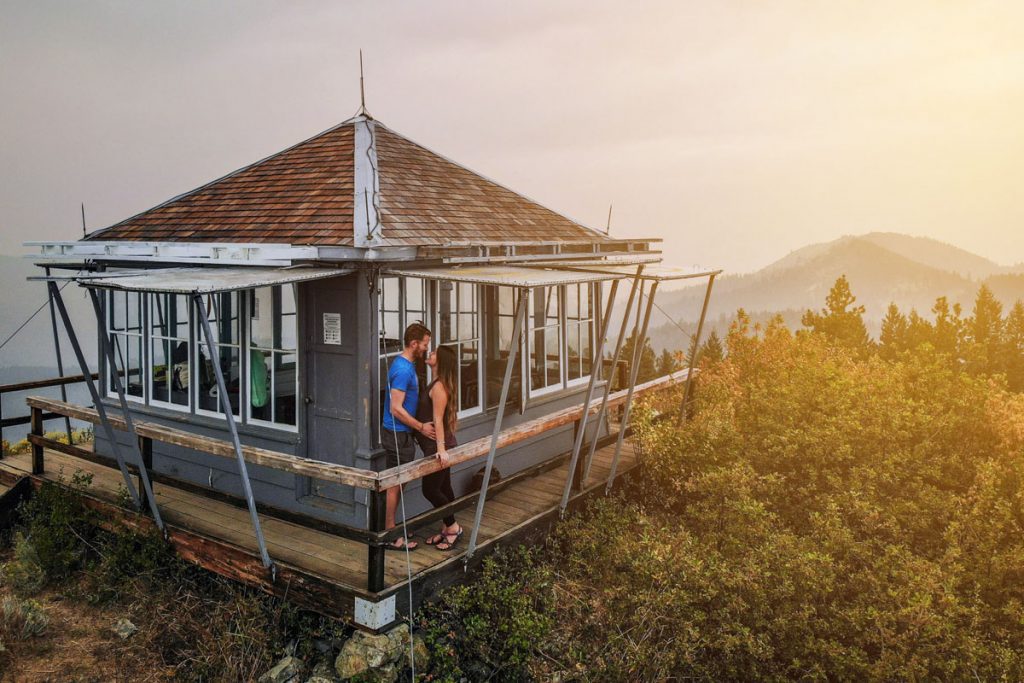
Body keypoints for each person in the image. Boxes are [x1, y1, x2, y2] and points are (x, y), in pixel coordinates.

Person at [382, 323, 436, 550]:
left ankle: (392, 527)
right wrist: (420, 427)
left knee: (400, 482)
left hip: (402, 434)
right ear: (414, 344)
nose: (426, 348)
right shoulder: (403, 370)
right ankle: (392, 534)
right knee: (395, 484)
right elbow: (396, 408)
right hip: (397, 433)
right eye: (424, 344)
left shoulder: (406, 364)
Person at [416, 345, 463, 551]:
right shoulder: (435, 383)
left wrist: (441, 449)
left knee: (430, 489)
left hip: (440, 447)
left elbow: (437, 419)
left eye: (434, 352)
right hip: (439, 446)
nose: (430, 353)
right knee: (444, 488)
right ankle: (447, 527)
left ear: (440, 361)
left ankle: (453, 527)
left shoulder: (439, 388)